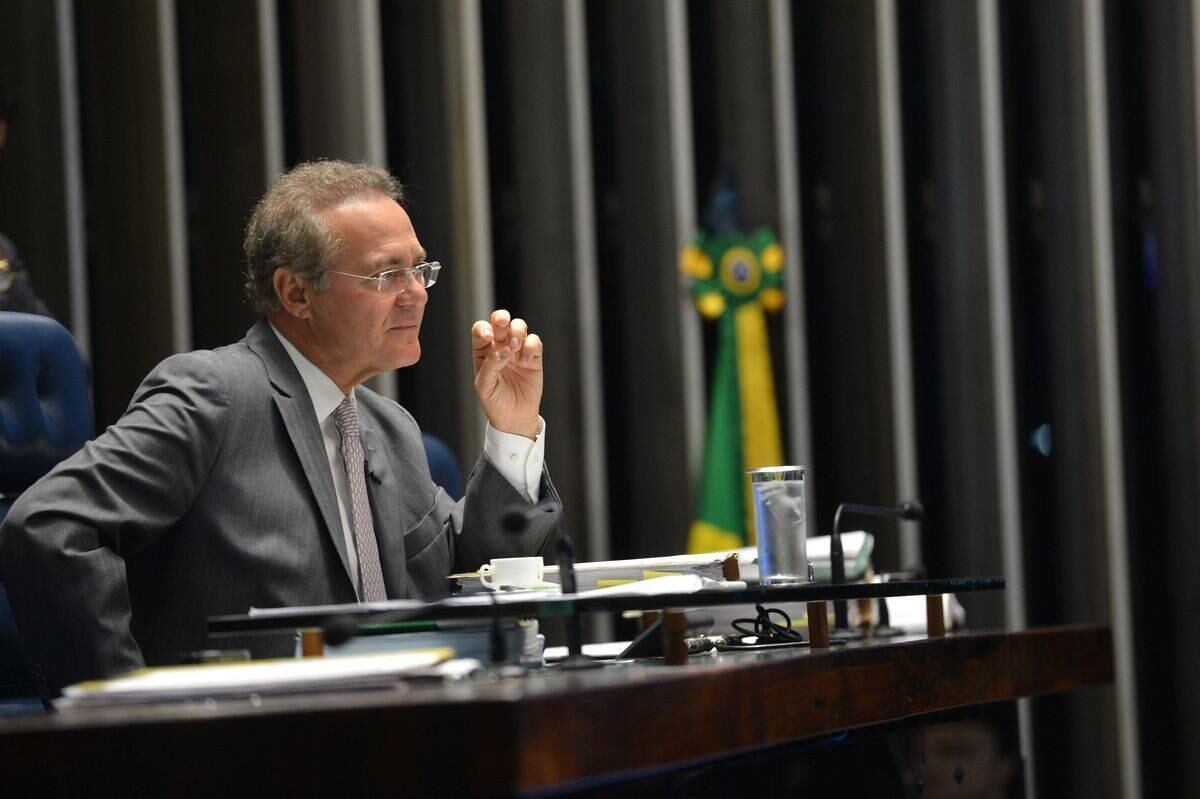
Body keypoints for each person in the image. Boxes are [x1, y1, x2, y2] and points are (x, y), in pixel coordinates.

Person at [0, 160, 559, 693]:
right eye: (388, 274)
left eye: (419, 269)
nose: (416, 293)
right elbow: (49, 526)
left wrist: (511, 432)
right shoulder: (213, 396)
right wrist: (128, 712)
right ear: (296, 293)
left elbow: (475, 581)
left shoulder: (390, 429)